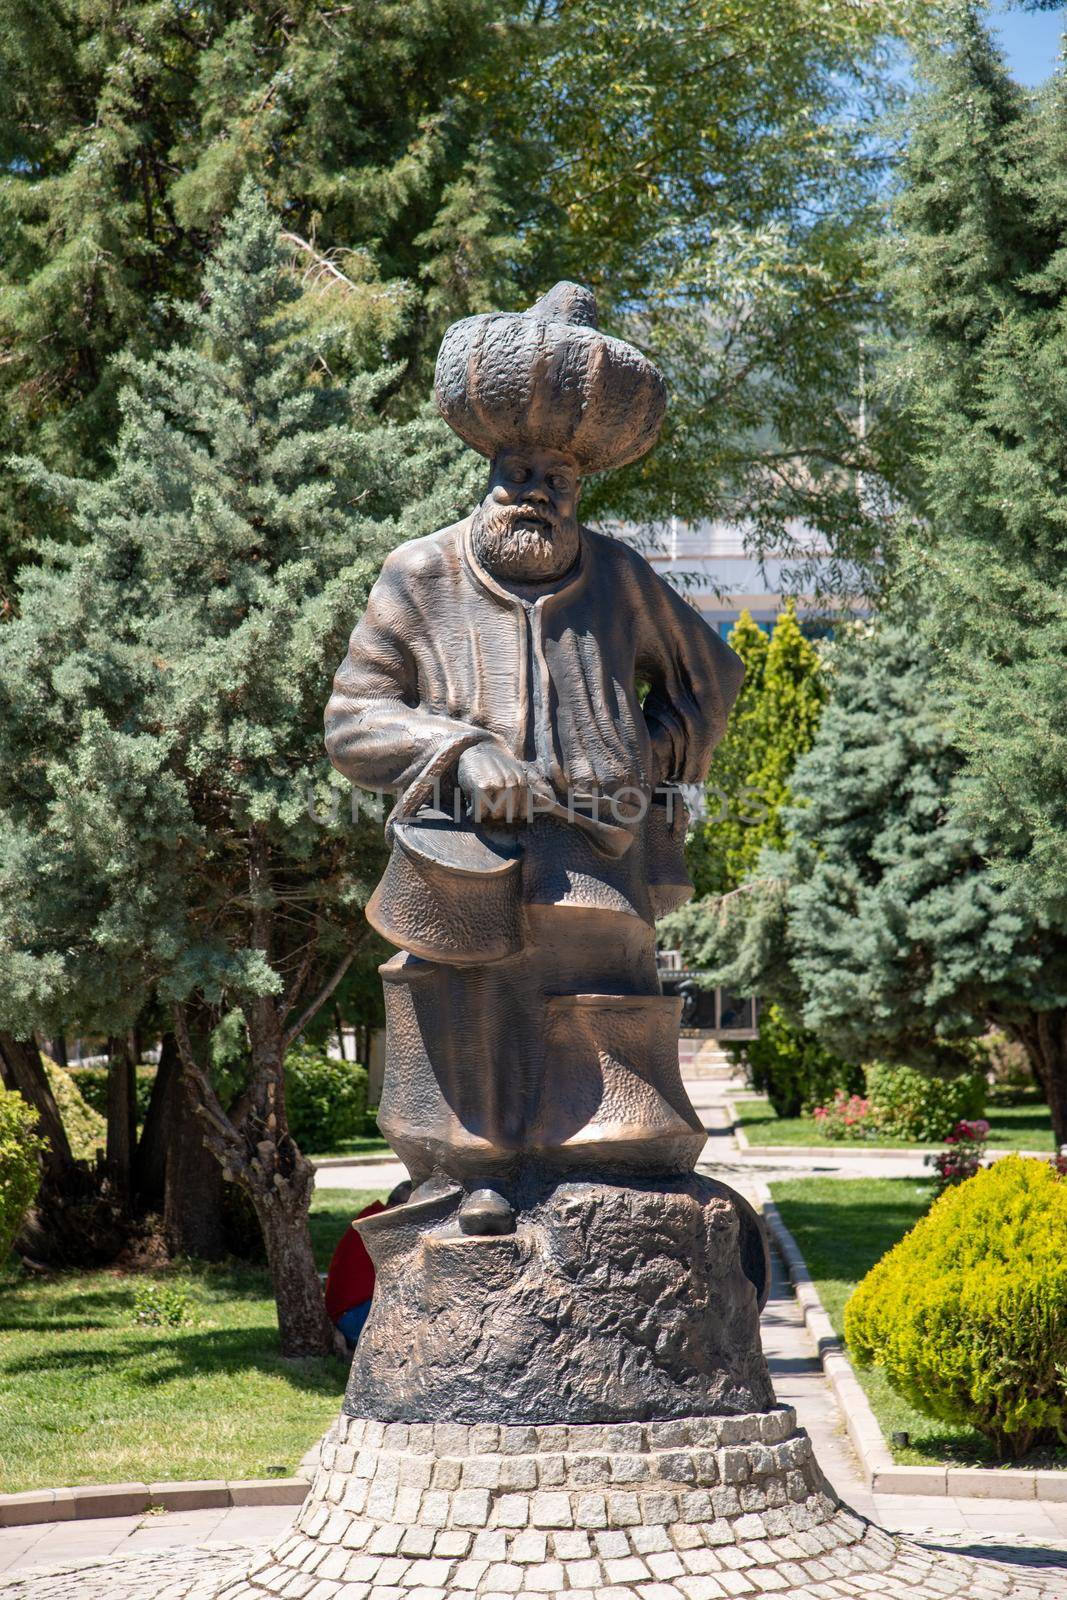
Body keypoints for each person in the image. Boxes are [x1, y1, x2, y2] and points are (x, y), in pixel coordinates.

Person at [324, 1180, 411, 1347]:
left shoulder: (372, 1217)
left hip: (345, 1313)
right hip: (351, 1318)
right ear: (400, 1207)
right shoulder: (384, 1227)